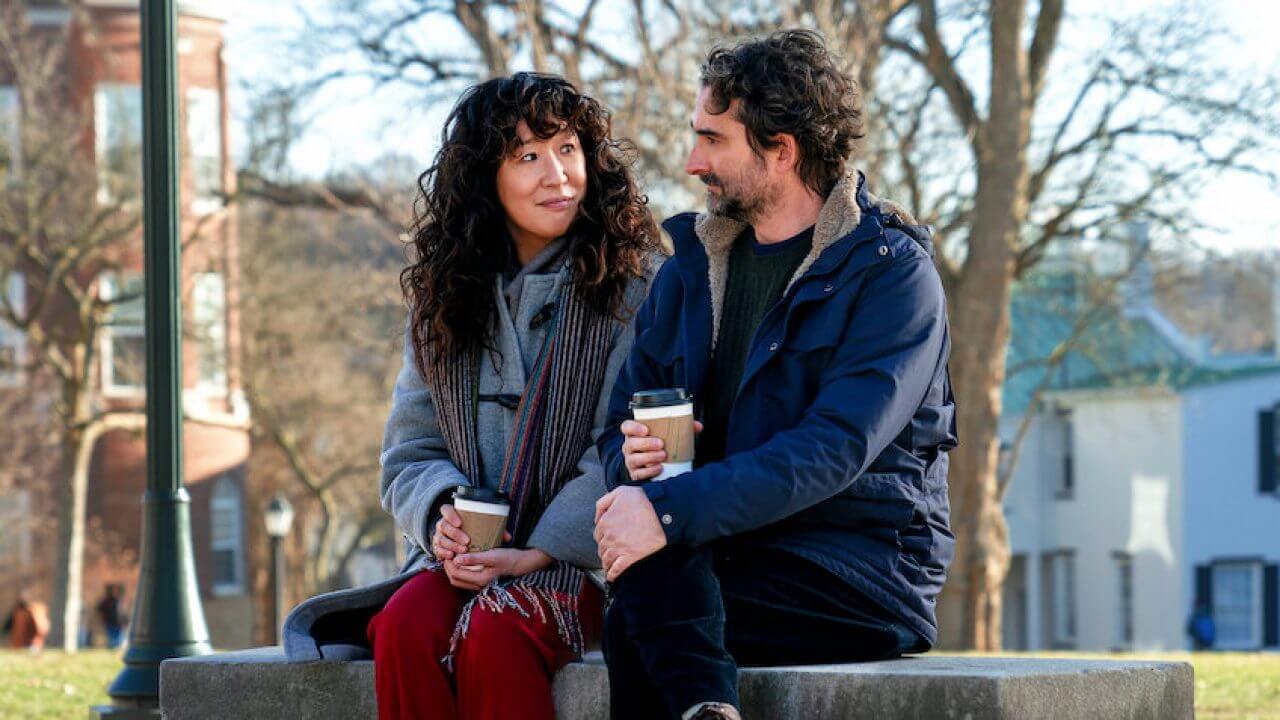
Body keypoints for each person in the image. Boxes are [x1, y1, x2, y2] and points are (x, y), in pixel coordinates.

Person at [593, 30, 957, 720]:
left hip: (857, 570)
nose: (693, 162)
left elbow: (834, 447)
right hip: (718, 551)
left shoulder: (892, 275)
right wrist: (630, 459)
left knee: (642, 619)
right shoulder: (687, 273)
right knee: (648, 596)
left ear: (782, 150)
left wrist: (666, 511)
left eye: (712, 139)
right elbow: (617, 425)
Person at [357, 72, 660, 720]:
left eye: (567, 149)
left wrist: (537, 551)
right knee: (404, 624)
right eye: (527, 156)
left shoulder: (635, 288)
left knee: (499, 628)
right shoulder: (442, 300)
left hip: (584, 565)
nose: (557, 175)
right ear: (484, 178)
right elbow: (409, 451)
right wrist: (443, 518)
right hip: (462, 561)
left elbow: (621, 446)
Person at [97, 584, 126, 649]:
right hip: (110, 622)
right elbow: (100, 609)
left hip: (117, 622)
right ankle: (113, 646)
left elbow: (120, 612)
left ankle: (116, 646)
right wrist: (103, 618)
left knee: (117, 636)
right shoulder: (106, 601)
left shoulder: (117, 600)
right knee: (112, 636)